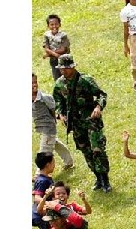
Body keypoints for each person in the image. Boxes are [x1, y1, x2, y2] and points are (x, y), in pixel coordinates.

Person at [52, 54, 112, 192]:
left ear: (72, 67)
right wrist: (61, 114)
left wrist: (98, 107)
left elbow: (101, 95)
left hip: (91, 121)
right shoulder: (59, 84)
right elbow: (58, 101)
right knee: (86, 150)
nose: (63, 71)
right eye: (61, 68)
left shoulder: (85, 80)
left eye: (66, 68)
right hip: (76, 124)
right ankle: (97, 178)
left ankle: (105, 179)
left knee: (97, 149)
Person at [33, 73, 73, 170]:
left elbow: (53, 110)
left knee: (44, 152)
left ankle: (40, 174)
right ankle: (69, 161)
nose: (34, 85)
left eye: (35, 82)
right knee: (55, 143)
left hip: (48, 128)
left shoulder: (44, 98)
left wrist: (54, 120)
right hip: (42, 128)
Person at [32, 152, 56, 229]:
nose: (54, 164)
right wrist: (50, 203)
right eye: (53, 162)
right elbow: (37, 198)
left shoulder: (45, 178)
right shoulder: (42, 180)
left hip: (47, 215)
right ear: (47, 164)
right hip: (42, 217)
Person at [42, 14, 70, 81]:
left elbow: (63, 49)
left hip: (64, 59)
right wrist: (55, 54)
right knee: (56, 77)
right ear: (48, 26)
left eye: (56, 24)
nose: (54, 26)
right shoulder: (47, 35)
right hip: (54, 60)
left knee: (67, 76)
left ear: (60, 24)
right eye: (52, 24)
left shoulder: (63, 35)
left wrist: (49, 54)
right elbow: (46, 48)